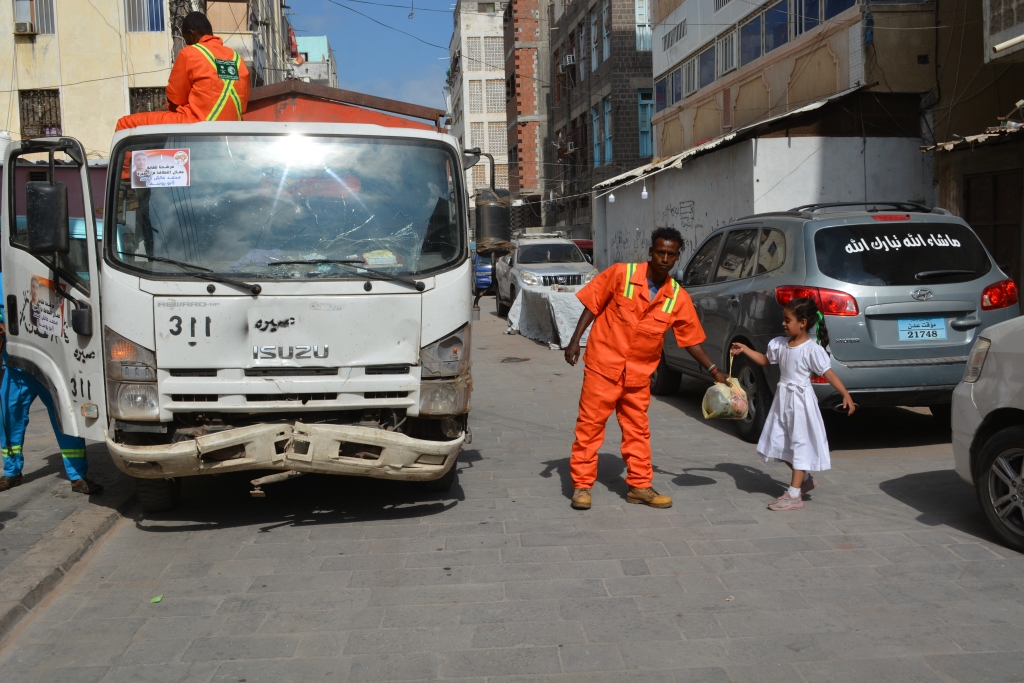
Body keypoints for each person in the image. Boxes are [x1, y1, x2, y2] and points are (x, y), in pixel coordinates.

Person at [563, 227, 729, 510]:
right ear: (651, 252)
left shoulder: (677, 296)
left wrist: (715, 372)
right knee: (589, 429)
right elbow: (593, 304)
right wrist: (575, 340)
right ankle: (582, 486)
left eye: (671, 254)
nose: (665, 258)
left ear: (677, 257)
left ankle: (640, 486)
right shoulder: (621, 275)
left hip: (638, 376)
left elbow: (690, 340)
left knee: (638, 432)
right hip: (603, 367)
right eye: (660, 252)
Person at [730, 297, 854, 511]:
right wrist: (745, 349)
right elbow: (765, 360)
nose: (784, 324)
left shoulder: (811, 350)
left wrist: (845, 394)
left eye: (788, 320)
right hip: (782, 401)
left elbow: (828, 373)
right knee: (778, 445)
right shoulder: (780, 344)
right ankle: (805, 479)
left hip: (800, 404)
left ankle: (794, 495)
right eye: (784, 320)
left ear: (803, 322)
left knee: (799, 445)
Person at [0, 278, 103, 494]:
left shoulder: (50, 278)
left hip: (50, 366)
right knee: (8, 419)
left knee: (65, 418)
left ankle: (77, 476)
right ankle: (11, 472)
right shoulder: (5, 278)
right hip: (17, 367)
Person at [115, 12, 251, 131]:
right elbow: (243, 104)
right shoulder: (237, 59)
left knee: (125, 124)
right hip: (233, 126)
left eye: (186, 40)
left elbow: (175, 99)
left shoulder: (190, 52)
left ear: (191, 35)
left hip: (195, 123)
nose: (187, 43)